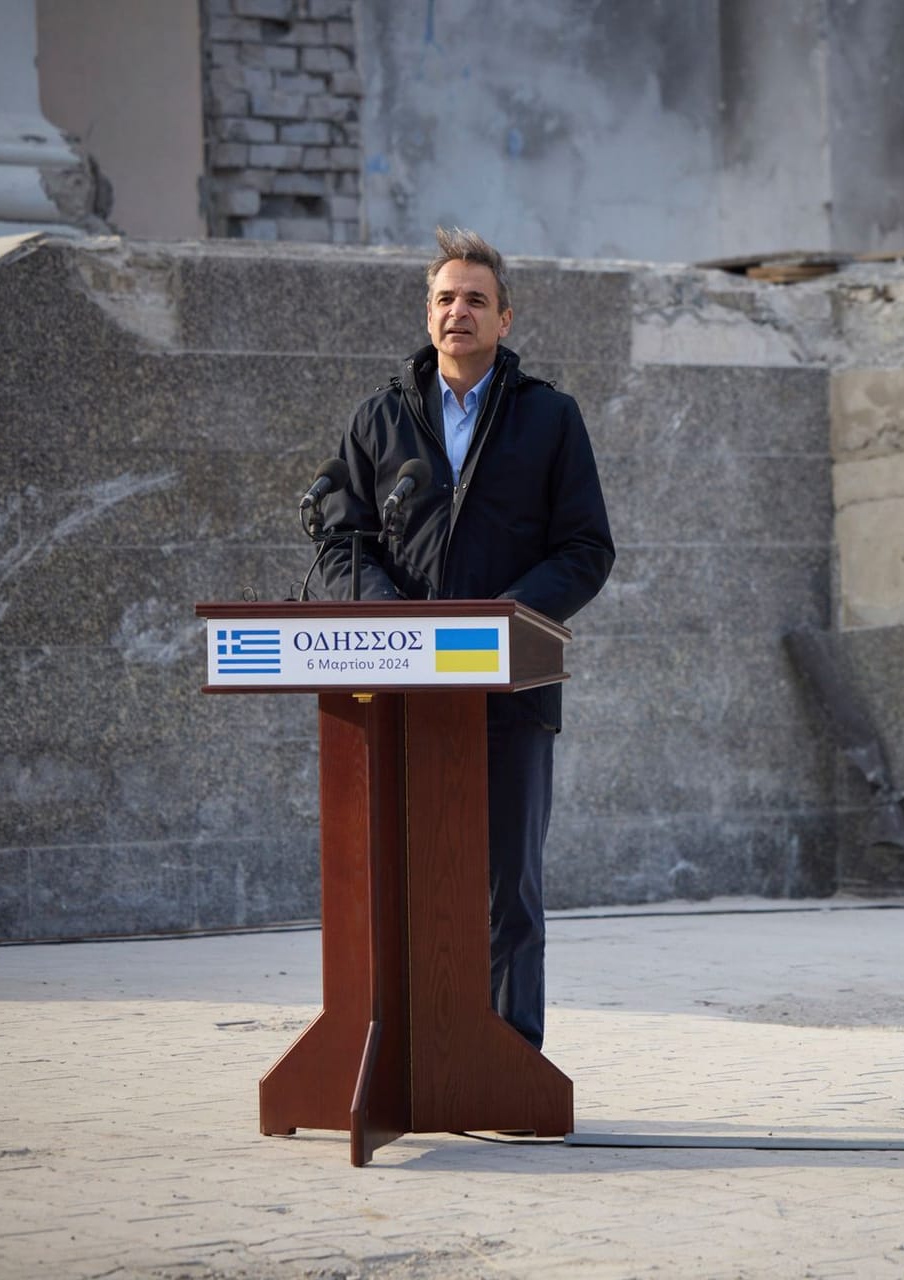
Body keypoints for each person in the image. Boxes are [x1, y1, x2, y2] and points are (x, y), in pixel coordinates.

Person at [318, 226, 615, 1050]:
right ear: (428, 312)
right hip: (402, 685)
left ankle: (508, 1061)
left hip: (512, 691)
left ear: (505, 320)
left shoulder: (550, 418)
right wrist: (392, 621)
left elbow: (588, 549)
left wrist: (506, 621)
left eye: (476, 301)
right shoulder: (378, 420)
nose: (459, 313)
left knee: (506, 889)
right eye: (446, 298)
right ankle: (409, 1054)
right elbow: (342, 539)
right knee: (403, 879)